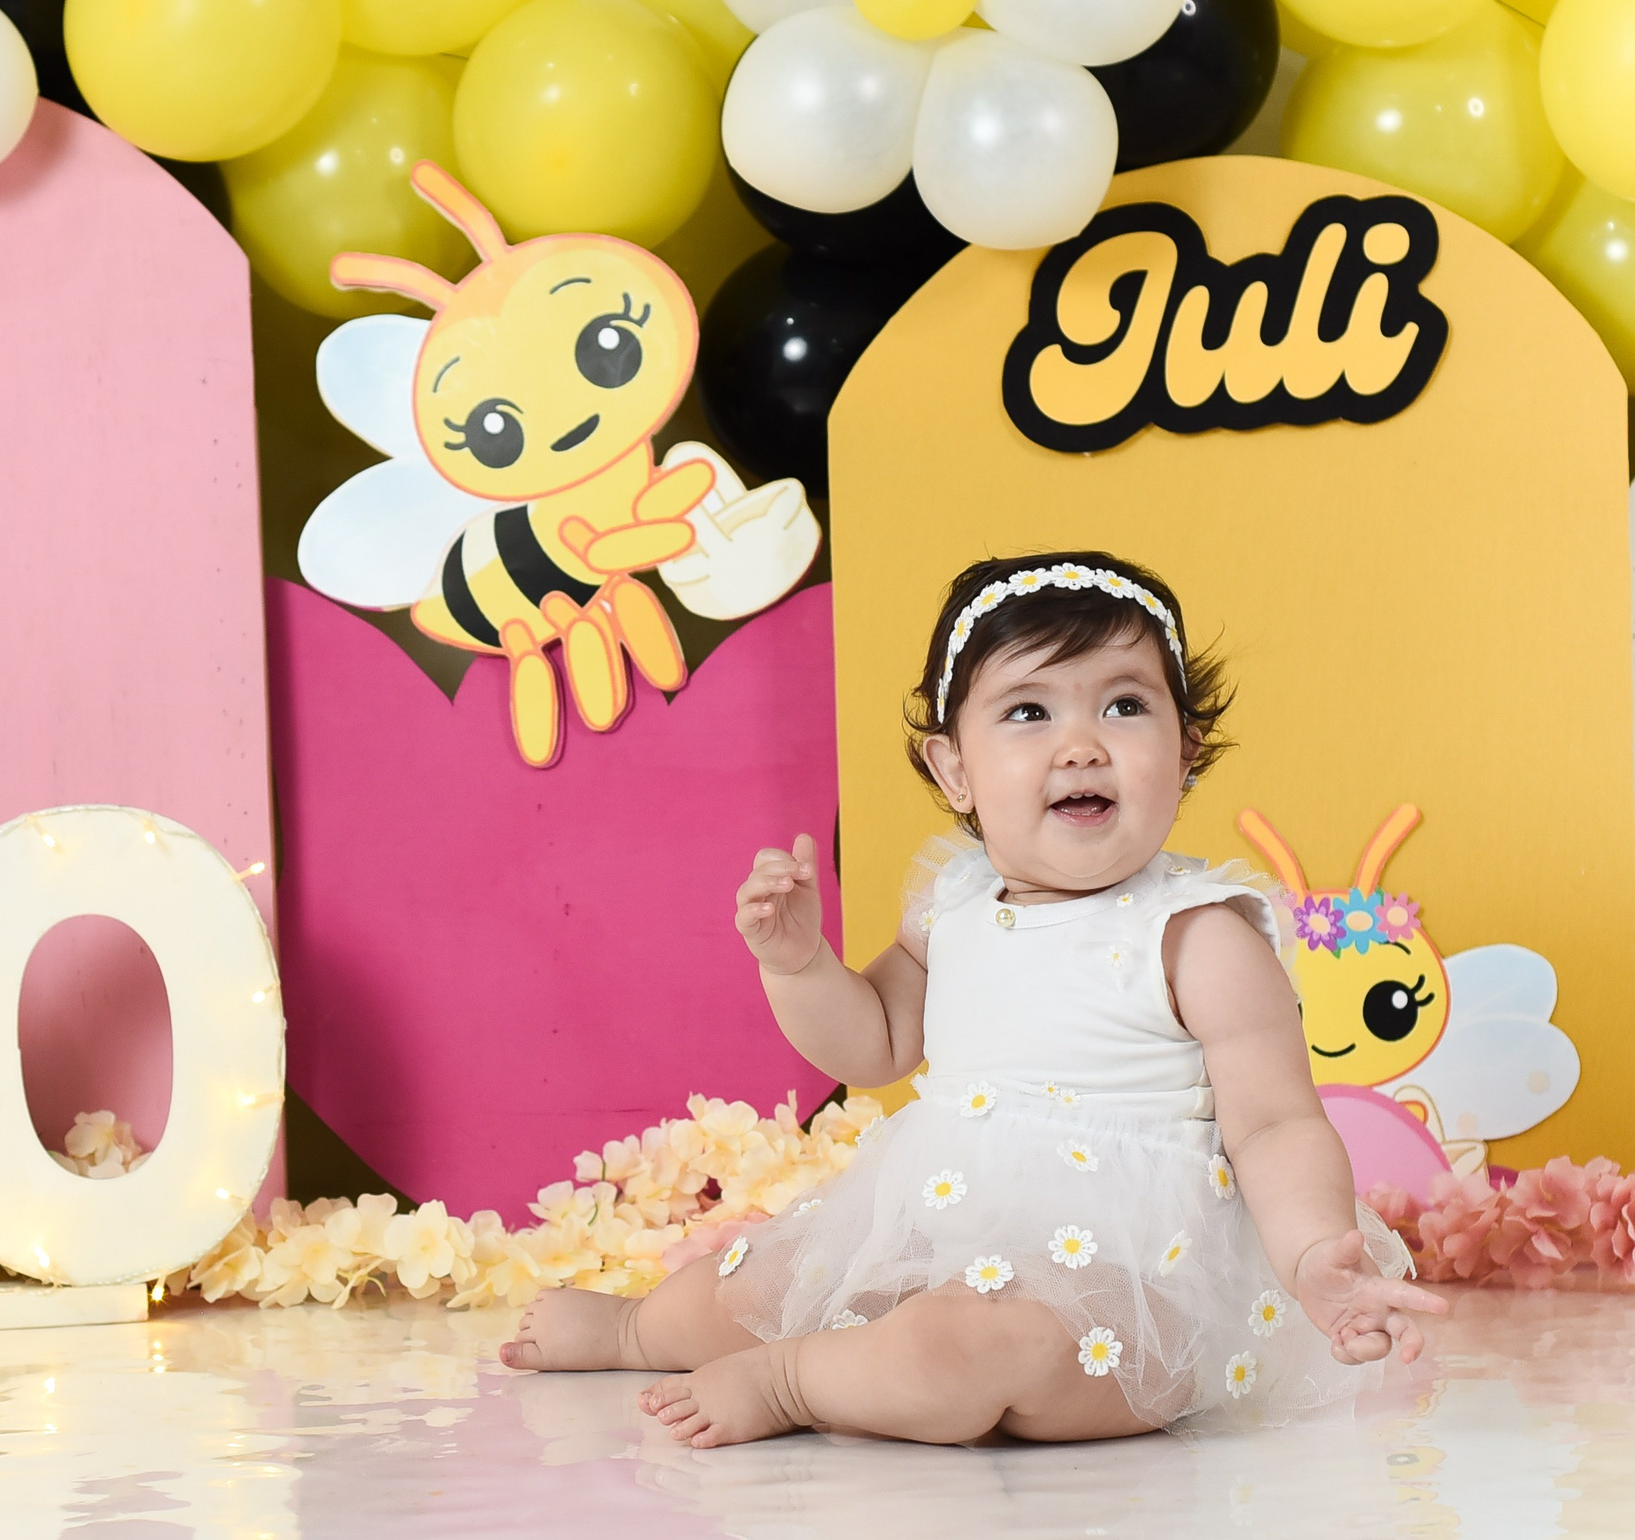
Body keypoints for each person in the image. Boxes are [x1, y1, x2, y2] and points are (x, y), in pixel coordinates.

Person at [499, 551, 1445, 1447]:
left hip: (1128, 1298)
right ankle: (635, 1335)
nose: (1080, 746)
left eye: (1123, 705)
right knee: (751, 1284)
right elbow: (871, 1045)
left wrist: (1317, 1251)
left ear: (1186, 752)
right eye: (1029, 713)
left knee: (962, 1347)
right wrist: (797, 966)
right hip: (937, 1235)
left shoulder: (1198, 937)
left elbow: (1277, 1126)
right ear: (955, 770)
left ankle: (793, 1382)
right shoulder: (953, 905)